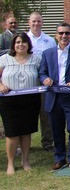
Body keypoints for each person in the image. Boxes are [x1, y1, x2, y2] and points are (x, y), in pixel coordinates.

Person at [39, 22, 70, 172]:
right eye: (61, 33)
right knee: (56, 129)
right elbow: (42, 72)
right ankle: (59, 158)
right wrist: (45, 79)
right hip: (54, 97)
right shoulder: (47, 53)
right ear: (56, 36)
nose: (64, 36)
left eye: (67, 33)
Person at [0, 33, 42, 175]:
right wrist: (0, 85)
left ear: (28, 44)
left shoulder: (36, 59)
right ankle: (10, 164)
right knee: (12, 133)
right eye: (18, 42)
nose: (21, 44)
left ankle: (25, 161)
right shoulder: (5, 59)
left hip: (30, 101)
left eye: (24, 42)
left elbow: (43, 75)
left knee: (26, 132)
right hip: (9, 101)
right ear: (13, 45)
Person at [27, 11, 56, 151]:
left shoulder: (49, 40)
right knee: (27, 112)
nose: (36, 24)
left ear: (42, 22)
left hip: (44, 80)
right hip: (27, 80)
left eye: (38, 21)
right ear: (29, 22)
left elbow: (53, 61)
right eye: (34, 21)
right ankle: (24, 144)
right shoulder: (24, 38)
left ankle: (48, 142)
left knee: (46, 112)